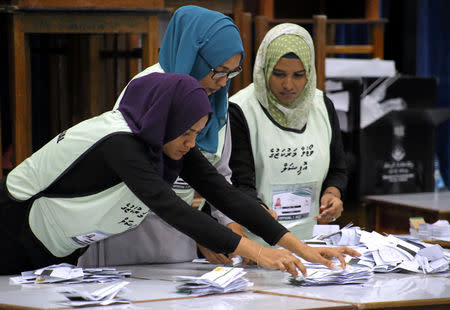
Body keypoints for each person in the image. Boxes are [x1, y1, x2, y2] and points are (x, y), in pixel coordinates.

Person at [0, 72, 359, 276]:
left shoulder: (165, 141)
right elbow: (172, 208)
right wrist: (261, 254)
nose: (191, 143)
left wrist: (303, 248)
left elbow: (226, 194)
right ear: (165, 119)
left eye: (197, 134)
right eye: (186, 133)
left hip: (59, 245)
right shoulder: (120, 143)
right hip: (11, 229)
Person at [79, 5, 249, 267]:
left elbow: (218, 174)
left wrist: (229, 225)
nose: (224, 82)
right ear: (196, 56)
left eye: (232, 72)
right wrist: (205, 232)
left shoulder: (217, 101)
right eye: (219, 70)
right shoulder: (149, 90)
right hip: (127, 235)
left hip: (179, 241)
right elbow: (136, 179)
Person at [227, 23, 347, 245]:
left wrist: (333, 194)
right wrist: (260, 213)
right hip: (255, 242)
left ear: (309, 72)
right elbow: (237, 182)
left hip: (311, 243)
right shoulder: (239, 110)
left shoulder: (322, 105)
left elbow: (338, 168)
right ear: (264, 68)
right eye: (279, 74)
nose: (288, 85)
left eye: (299, 75)